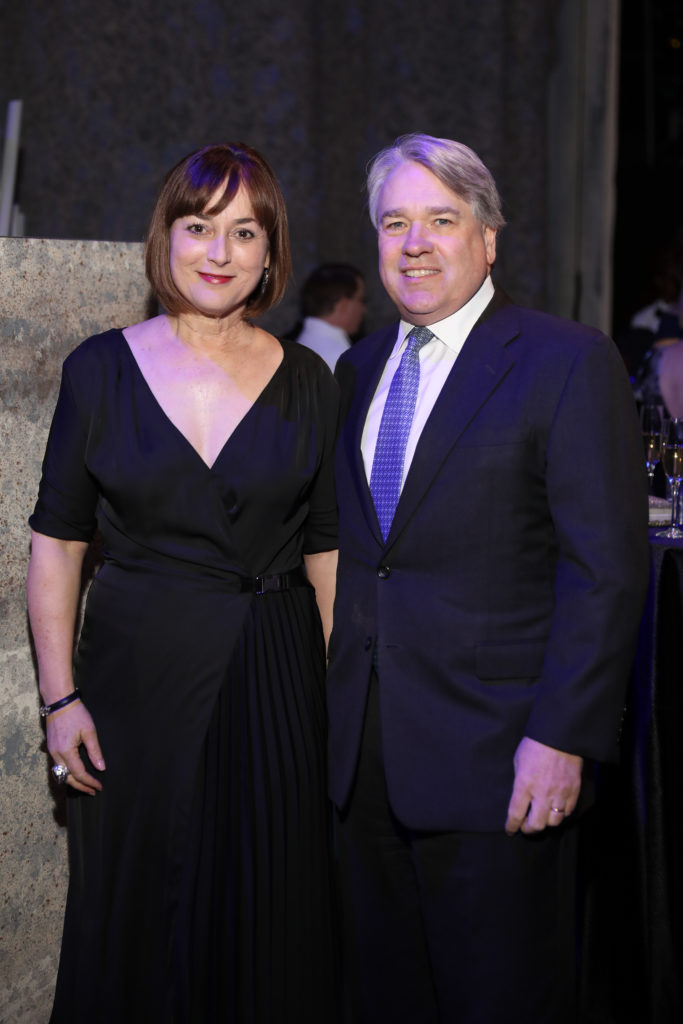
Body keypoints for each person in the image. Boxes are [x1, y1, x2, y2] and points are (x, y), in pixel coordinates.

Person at [326, 133, 649, 1024]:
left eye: (441, 219)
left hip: (501, 764)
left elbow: (605, 570)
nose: (415, 243)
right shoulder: (352, 374)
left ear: (489, 236)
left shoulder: (563, 361)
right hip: (361, 764)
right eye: (394, 223)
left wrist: (562, 737)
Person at [27, 142, 340, 1024]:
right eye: (197, 226)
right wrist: (60, 701)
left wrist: (332, 706)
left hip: (276, 681)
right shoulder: (99, 369)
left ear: (271, 254)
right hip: (134, 686)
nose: (218, 251)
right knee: (136, 918)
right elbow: (57, 545)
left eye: (245, 232)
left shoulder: (310, 381)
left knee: (269, 918)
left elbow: (328, 556)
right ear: (163, 238)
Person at [295, 263, 366, 370]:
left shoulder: (298, 347)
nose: (364, 309)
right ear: (344, 305)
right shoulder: (341, 358)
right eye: (361, 300)